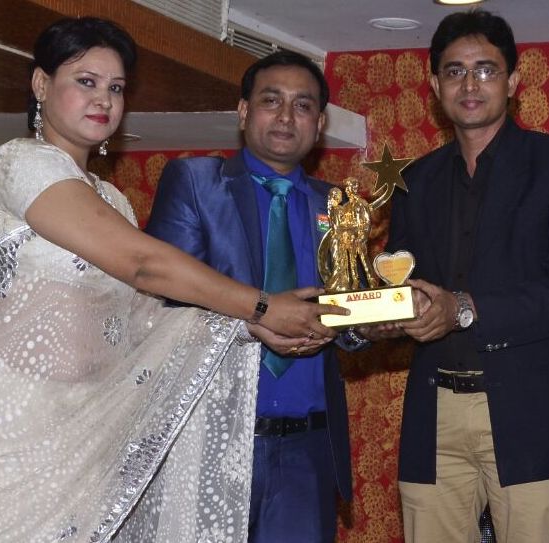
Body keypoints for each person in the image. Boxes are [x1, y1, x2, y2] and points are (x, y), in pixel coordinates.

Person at [0, 17, 343, 543]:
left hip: (88, 424)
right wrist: (262, 307)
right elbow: (143, 264)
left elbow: (143, 319)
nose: (103, 99)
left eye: (116, 88)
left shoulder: (113, 202)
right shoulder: (17, 163)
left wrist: (248, 330)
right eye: (85, 81)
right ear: (42, 85)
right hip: (3, 422)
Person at [362, 9, 549, 543]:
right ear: (434, 85)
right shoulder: (416, 179)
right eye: (454, 71)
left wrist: (463, 307)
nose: (470, 84)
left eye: (486, 70)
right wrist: (380, 319)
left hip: (527, 412)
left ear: (513, 82)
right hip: (433, 412)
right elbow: (409, 290)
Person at [145, 51, 362, 543]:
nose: (287, 117)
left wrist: (375, 318)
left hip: (307, 452)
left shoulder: (340, 206)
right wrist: (249, 324)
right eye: (271, 101)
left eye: (303, 105)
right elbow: (160, 307)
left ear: (320, 123)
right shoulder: (197, 183)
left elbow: (348, 318)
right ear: (244, 111)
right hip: (210, 441)